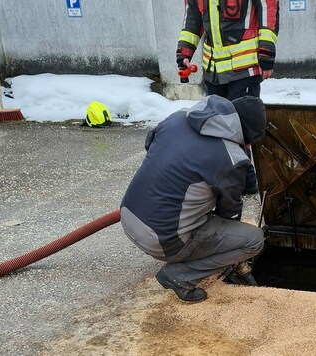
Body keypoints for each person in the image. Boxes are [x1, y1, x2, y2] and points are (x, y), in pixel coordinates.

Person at [120, 95, 267, 303]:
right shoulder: (229, 158)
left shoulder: (177, 118)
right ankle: (179, 275)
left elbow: (150, 146)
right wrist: (233, 256)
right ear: (247, 137)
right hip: (162, 241)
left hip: (128, 216)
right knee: (253, 239)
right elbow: (229, 214)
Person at [176, 0, 279, 100]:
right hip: (214, 74)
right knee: (217, 117)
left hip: (244, 70)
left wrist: (266, 50)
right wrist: (184, 52)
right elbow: (192, 19)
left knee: (242, 117)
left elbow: (268, 9)